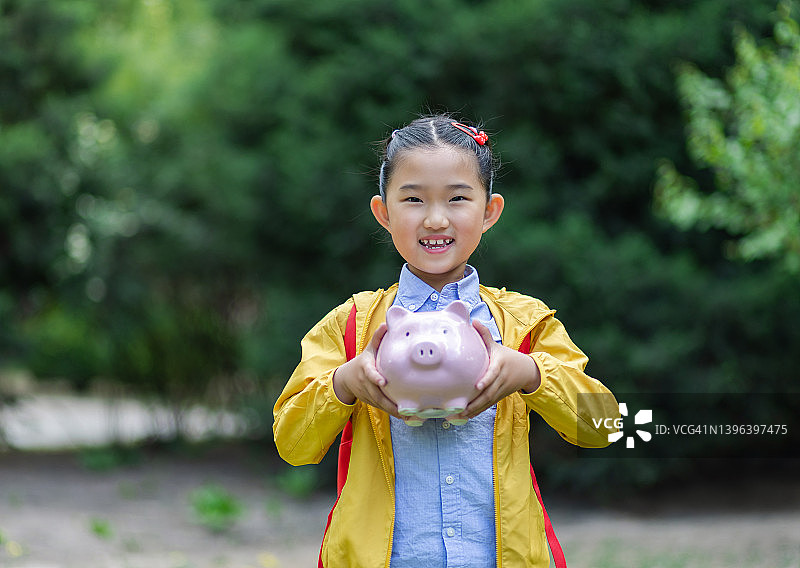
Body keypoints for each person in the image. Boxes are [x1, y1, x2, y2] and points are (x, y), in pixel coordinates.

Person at [273, 114, 618, 567]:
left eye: (457, 198)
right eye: (413, 199)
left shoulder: (525, 324)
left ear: (489, 211)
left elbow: (604, 426)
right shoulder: (352, 325)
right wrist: (345, 382)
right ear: (384, 212)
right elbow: (292, 443)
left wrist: (532, 373)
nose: (436, 219)